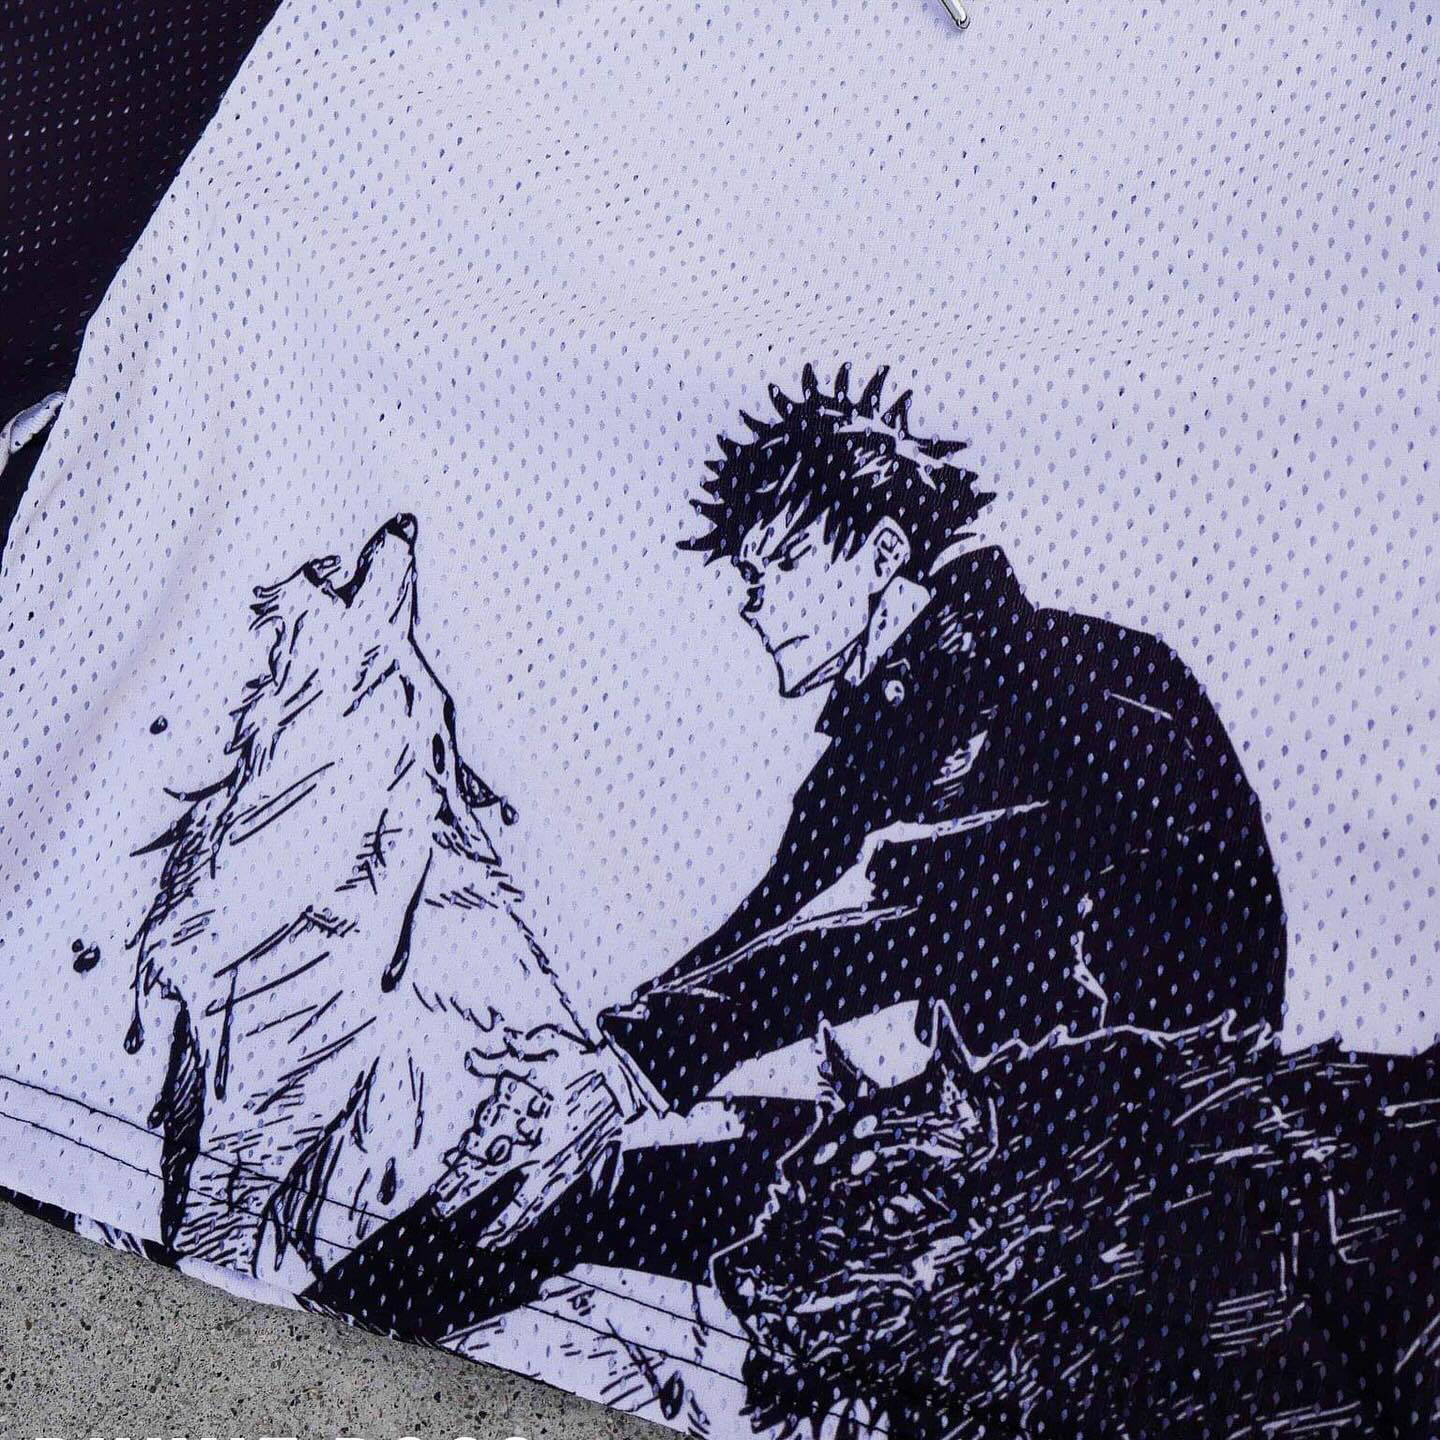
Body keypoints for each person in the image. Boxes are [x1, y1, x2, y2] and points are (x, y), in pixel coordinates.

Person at [306, 364, 1287, 1337]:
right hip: (982, 1129)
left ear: (882, 551)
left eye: (774, 564)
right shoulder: (881, 735)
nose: (752, 600)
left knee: (597, 1190)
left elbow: (891, 925)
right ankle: (339, 1322)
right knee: (569, 1175)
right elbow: (767, 929)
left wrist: (627, 1072)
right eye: (745, 576)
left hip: (1109, 1162)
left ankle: (338, 1332)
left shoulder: (1063, 683)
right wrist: (597, 1065)